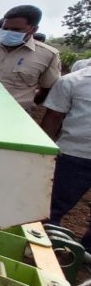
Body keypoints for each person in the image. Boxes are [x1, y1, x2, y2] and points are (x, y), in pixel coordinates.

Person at [41, 66, 91, 251]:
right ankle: (47, 247)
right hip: (74, 155)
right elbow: (53, 117)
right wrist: (43, 152)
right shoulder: (73, 81)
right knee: (52, 207)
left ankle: (85, 255)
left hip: (74, 156)